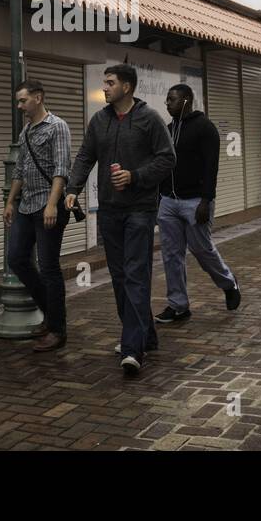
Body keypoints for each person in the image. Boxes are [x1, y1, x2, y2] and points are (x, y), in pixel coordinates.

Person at [65, 63, 175, 377]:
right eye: (105, 82)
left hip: (140, 209)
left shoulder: (150, 119)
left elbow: (168, 159)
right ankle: (145, 334)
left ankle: (131, 348)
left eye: (110, 83)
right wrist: (73, 189)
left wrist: (136, 176)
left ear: (126, 87)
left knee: (136, 273)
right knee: (120, 276)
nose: (105, 87)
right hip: (110, 211)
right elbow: (86, 156)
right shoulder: (99, 120)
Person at [154, 84, 240, 325]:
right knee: (171, 255)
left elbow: (211, 166)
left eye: (172, 99)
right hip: (169, 201)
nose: (167, 104)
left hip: (195, 201)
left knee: (202, 249)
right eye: (167, 100)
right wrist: (159, 197)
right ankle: (178, 305)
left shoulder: (205, 128)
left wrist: (206, 200)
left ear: (186, 100)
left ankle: (229, 282)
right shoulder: (169, 130)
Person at [3, 79, 73, 352]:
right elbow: (19, 171)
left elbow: (61, 168)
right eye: (18, 101)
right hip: (26, 205)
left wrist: (53, 204)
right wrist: (10, 202)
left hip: (47, 205)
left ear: (38, 98)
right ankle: (51, 314)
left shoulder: (58, 127)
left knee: (48, 266)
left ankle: (57, 328)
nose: (19, 106)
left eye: (23, 100)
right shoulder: (26, 132)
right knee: (17, 258)